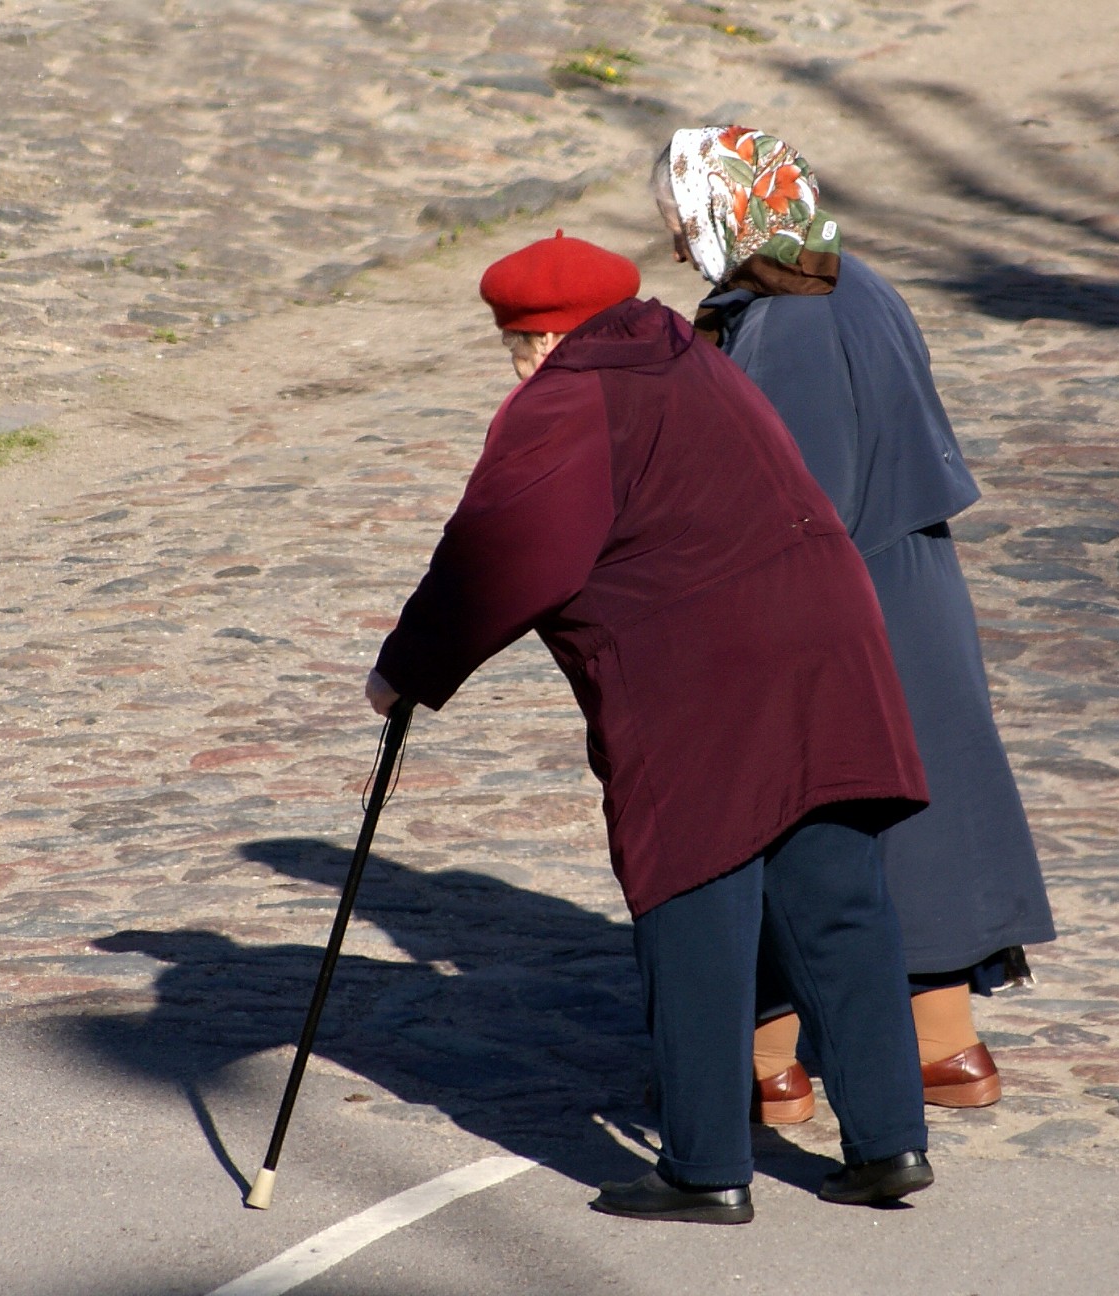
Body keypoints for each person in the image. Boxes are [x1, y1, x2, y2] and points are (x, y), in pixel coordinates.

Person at [365, 231, 935, 1224]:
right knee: (833, 895)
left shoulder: (565, 396)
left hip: (705, 678)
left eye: (512, 344)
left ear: (536, 337)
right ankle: (888, 1145)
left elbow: (503, 552)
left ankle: (706, 1166)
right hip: (826, 639)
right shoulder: (682, 352)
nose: (515, 363)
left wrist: (406, 670)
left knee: (693, 894)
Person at [653, 127, 1056, 1123]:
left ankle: (765, 1065)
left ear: (727, 208)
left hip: (828, 600)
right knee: (924, 807)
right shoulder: (847, 279)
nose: (670, 248)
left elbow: (787, 494)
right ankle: (943, 1048)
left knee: (780, 809)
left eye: (677, 222)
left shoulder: (787, 318)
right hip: (904, 583)